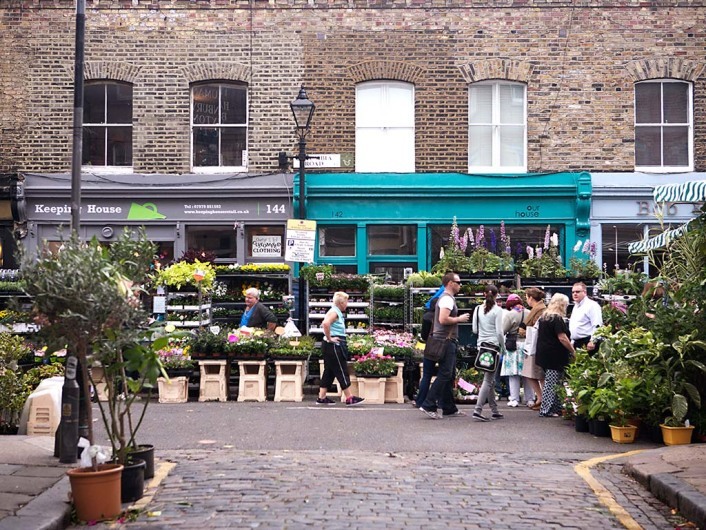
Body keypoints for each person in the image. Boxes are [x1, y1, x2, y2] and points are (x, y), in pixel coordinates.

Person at [419, 272, 470, 420]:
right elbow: (443, 319)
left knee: (449, 375)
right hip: (445, 341)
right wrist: (459, 319)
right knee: (445, 373)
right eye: (458, 282)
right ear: (450, 283)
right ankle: (428, 404)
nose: (460, 285)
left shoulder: (447, 299)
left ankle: (449, 407)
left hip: (444, 340)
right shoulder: (447, 300)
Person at [317, 291, 364, 406]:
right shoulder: (334, 312)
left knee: (329, 371)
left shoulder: (335, 311)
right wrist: (329, 338)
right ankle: (349, 397)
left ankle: (321, 397)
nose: (347, 304)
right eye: (346, 301)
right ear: (341, 302)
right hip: (334, 345)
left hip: (331, 346)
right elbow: (325, 323)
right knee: (341, 370)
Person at [535, 293, 575, 417]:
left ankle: (556, 408)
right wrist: (573, 350)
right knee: (552, 382)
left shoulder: (544, 317)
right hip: (554, 355)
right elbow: (562, 337)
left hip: (544, 353)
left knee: (555, 381)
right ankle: (546, 409)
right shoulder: (556, 319)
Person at [471, 284, 505, 422]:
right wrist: (502, 346)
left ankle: (494, 409)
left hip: (481, 347)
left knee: (488, 378)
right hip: (493, 347)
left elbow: (474, 329)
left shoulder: (478, 309)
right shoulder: (498, 310)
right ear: (496, 295)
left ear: (484, 294)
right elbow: (499, 332)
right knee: (489, 379)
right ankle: (477, 410)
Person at [414, 285, 445, 408]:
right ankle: (441, 401)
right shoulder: (442, 317)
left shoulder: (426, 317)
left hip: (430, 346)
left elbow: (423, 335)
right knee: (443, 374)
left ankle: (420, 400)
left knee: (426, 375)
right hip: (442, 345)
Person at [520, 287, 546, 410]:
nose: (526, 300)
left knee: (538, 374)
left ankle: (542, 399)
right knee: (531, 373)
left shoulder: (540, 310)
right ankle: (541, 398)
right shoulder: (537, 309)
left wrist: (524, 332)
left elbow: (536, 329)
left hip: (535, 345)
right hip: (532, 345)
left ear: (531, 298)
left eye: (526, 297)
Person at [500, 293, 527, 407]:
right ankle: (529, 399)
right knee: (527, 374)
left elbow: (503, 330)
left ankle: (514, 399)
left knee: (513, 373)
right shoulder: (529, 312)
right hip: (526, 344)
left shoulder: (510, 314)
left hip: (513, 345)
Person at [568, 282, 602, 352]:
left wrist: (593, 341)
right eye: (573, 292)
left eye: (577, 292)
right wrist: (572, 342)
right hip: (576, 343)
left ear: (585, 292)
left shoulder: (592, 305)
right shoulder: (576, 306)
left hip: (588, 342)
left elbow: (597, 325)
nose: (575, 294)